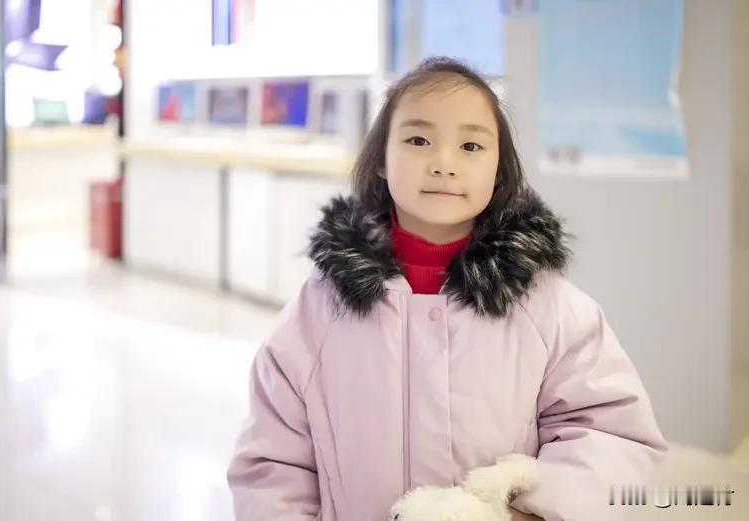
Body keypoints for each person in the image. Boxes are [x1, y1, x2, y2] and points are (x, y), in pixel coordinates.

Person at [227, 56, 668, 521]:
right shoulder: (318, 312)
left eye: (471, 146)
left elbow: (612, 435)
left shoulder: (551, 308)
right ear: (379, 159)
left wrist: (531, 514)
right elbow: (272, 465)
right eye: (418, 140)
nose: (443, 163)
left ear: (499, 169)